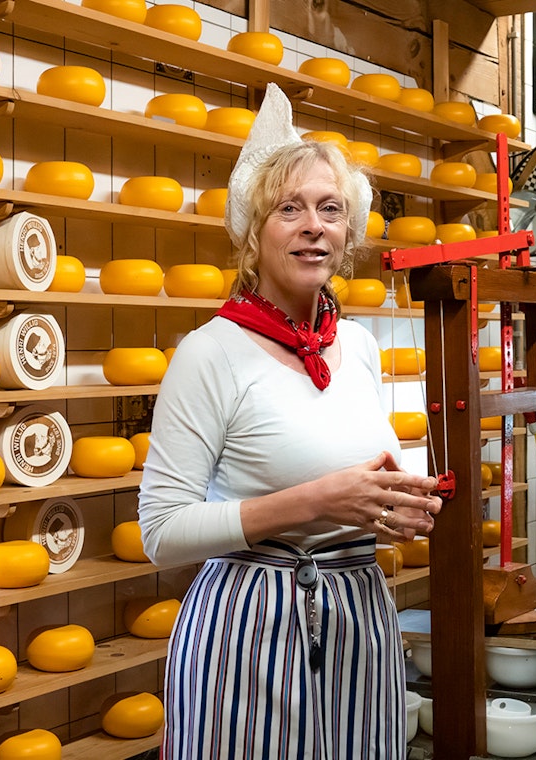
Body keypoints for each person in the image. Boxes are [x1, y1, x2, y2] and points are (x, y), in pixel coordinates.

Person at [138, 84, 442, 759]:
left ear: (349, 231)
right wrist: (318, 499)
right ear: (253, 230)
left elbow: (362, 472)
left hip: (359, 615)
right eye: (290, 209)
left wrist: (401, 506)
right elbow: (160, 532)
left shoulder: (358, 346)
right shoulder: (209, 352)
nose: (314, 226)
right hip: (249, 625)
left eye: (330, 209)